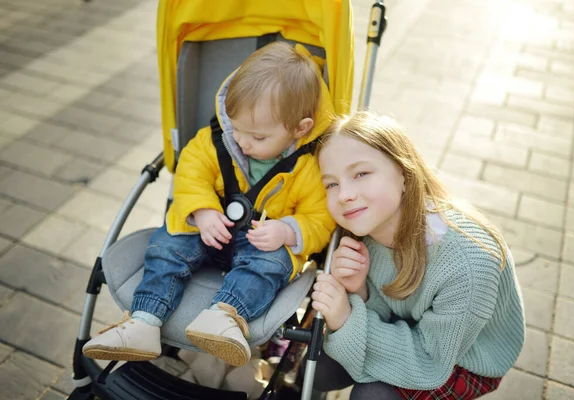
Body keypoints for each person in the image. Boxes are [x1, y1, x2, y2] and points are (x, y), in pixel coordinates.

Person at [83, 41, 336, 367]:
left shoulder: (310, 166)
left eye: (258, 138)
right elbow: (190, 173)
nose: (243, 142)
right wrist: (201, 210)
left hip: (261, 241)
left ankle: (224, 315)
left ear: (300, 129)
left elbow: (320, 218)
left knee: (272, 264)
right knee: (168, 244)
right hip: (207, 228)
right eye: (238, 129)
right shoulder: (218, 140)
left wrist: (288, 232)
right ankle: (145, 320)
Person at [311, 111, 525, 399]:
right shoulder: (365, 230)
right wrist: (360, 291)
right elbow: (388, 308)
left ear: (403, 174)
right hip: (411, 326)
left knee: (372, 395)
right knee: (320, 370)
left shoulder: (468, 265)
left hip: (460, 356)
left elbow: (429, 360)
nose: (344, 194)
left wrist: (346, 318)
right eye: (331, 183)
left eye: (361, 173)